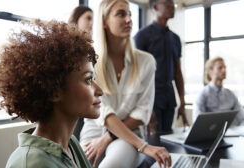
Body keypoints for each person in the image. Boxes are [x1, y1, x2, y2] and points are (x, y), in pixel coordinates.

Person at [0, 20, 102, 168]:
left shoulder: (71, 144)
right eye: (88, 79)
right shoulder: (31, 163)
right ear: (55, 90)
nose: (100, 91)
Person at [79, 0, 171, 168]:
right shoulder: (90, 61)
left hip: (129, 137)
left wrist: (107, 138)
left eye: (129, 14)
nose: (129, 19)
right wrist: (102, 139)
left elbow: (142, 112)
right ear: (105, 22)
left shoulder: (146, 62)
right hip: (93, 135)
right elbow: (103, 112)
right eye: (121, 14)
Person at [134, 0, 189, 134]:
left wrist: (182, 101)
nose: (172, 7)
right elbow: (136, 75)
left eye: (173, 4)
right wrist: (145, 107)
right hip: (150, 100)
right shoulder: (141, 36)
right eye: (167, 3)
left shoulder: (175, 39)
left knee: (169, 141)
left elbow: (177, 72)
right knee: (153, 143)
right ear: (155, 7)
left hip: (169, 100)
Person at [193, 57, 244, 126]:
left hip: (231, 133)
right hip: (211, 135)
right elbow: (197, 121)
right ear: (210, 71)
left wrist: (242, 130)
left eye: (225, 67)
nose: (224, 70)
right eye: (220, 68)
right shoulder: (203, 94)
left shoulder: (230, 94)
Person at [68, 5, 94, 140]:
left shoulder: (90, 47)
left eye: (93, 19)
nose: (92, 23)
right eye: (88, 18)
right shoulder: (67, 46)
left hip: (88, 102)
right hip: (73, 103)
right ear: (76, 19)